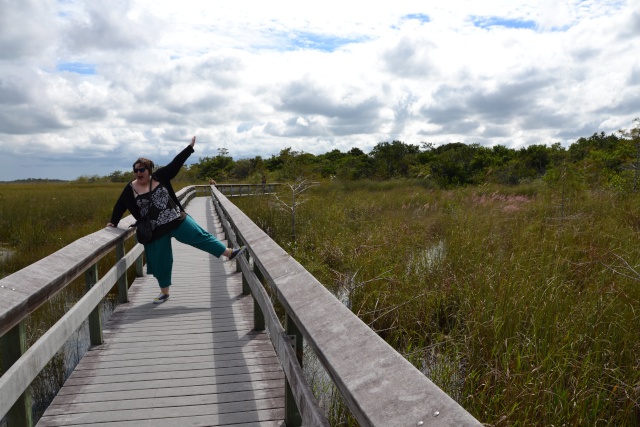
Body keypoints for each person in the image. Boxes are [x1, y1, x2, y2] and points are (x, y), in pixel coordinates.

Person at [107, 136, 246, 303]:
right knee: (163, 261)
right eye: (135, 170)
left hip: (176, 220)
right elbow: (120, 205)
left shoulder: (160, 177)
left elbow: (176, 163)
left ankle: (229, 253)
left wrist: (189, 148)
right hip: (155, 230)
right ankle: (164, 293)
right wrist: (113, 222)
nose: (138, 173)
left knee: (200, 236)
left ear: (149, 170)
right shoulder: (131, 188)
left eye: (141, 170)